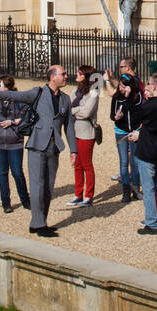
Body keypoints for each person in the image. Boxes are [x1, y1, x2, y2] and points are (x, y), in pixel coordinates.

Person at [0, 65, 77, 238]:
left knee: (48, 187)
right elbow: (16, 95)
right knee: (37, 185)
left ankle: (40, 222)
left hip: (54, 147)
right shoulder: (37, 93)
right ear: (53, 77)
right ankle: (38, 224)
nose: (67, 76)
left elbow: (68, 126)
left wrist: (73, 150)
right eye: (63, 74)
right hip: (37, 145)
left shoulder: (65, 99)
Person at [128, 73, 157, 235]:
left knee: (149, 188)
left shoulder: (149, 105)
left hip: (147, 149)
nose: (146, 87)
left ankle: (152, 223)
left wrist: (132, 98)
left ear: (154, 87)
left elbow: (135, 116)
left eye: (148, 84)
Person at [0, 74, 30, 214]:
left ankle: (25, 199)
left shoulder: (19, 100)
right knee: (2, 173)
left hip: (14, 141)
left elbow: (25, 117)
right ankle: (6, 202)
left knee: (17, 172)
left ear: (8, 87)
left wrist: (12, 122)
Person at [104, 62, 143, 202]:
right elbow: (112, 115)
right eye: (120, 86)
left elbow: (138, 113)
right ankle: (126, 190)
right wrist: (116, 117)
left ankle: (136, 189)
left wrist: (128, 98)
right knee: (124, 162)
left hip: (134, 130)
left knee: (135, 160)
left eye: (123, 86)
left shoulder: (137, 97)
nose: (120, 88)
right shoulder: (116, 97)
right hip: (120, 130)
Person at [68, 64, 99, 207]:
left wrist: (74, 110)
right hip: (74, 129)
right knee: (77, 164)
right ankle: (78, 194)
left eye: (80, 73)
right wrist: (78, 109)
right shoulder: (76, 90)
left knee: (87, 164)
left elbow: (87, 113)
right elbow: (68, 107)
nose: (77, 74)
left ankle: (89, 195)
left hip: (86, 132)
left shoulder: (94, 91)